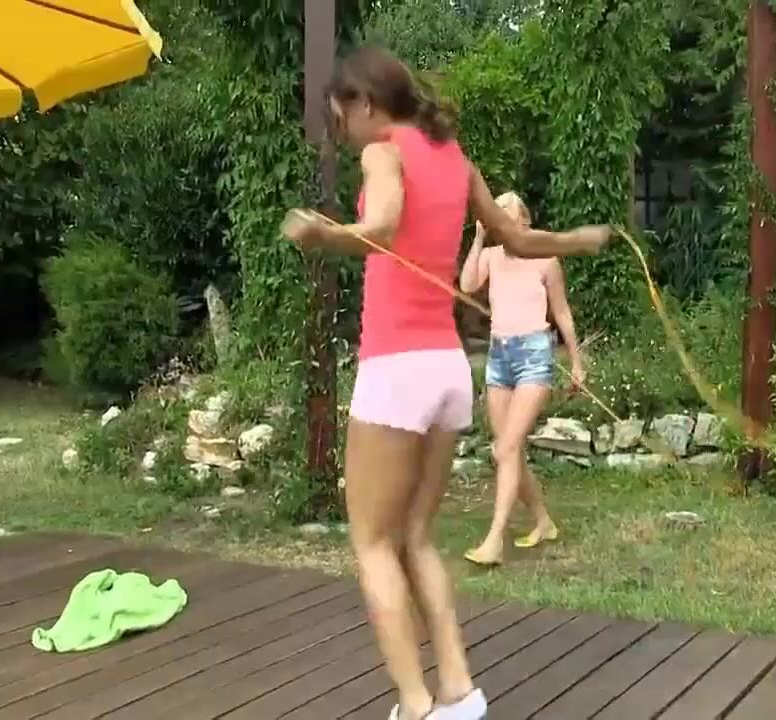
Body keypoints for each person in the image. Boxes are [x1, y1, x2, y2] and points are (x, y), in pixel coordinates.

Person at [279, 46, 611, 720]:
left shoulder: (384, 152)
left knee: (373, 545)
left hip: (395, 369)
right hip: (448, 371)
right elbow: (517, 240)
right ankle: (459, 694)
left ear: (364, 102)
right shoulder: (455, 157)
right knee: (417, 538)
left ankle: (415, 705)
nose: (342, 130)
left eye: (339, 115)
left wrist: (323, 233)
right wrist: (577, 240)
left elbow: (380, 227)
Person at [459, 192, 580, 567]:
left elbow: (562, 312)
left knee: (506, 449)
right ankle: (543, 521)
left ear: (524, 221)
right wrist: (479, 238)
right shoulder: (492, 256)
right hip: (499, 357)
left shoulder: (545, 258)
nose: (499, 219)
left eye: (506, 213)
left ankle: (494, 539)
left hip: (534, 356)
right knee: (508, 450)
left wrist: (577, 361)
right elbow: (467, 285)